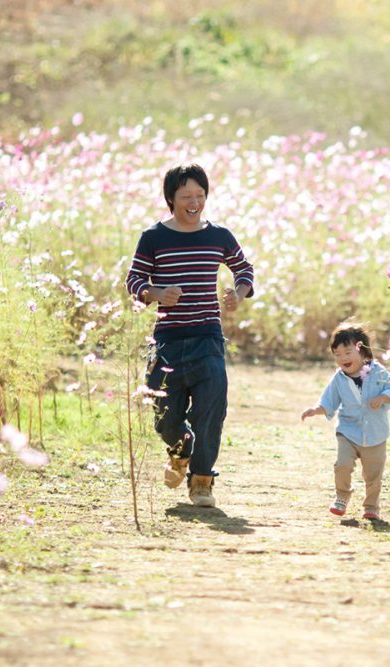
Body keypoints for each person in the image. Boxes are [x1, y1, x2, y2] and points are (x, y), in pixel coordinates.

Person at [125, 163, 254, 508]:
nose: (194, 202)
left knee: (211, 408)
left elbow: (245, 270)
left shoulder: (219, 236)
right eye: (186, 196)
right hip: (167, 339)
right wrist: (156, 292)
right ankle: (180, 448)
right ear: (170, 198)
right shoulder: (153, 238)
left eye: (200, 195)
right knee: (164, 414)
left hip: (208, 336)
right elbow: (134, 281)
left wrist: (237, 295)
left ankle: (201, 481)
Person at [301, 322, 390, 521]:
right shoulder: (339, 379)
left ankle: (371, 506)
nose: (342, 358)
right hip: (348, 431)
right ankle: (342, 495)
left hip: (375, 433)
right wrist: (315, 410)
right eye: (337, 354)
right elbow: (328, 402)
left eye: (348, 352)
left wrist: (383, 397)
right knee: (342, 464)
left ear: (363, 352)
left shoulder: (378, 372)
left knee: (374, 475)